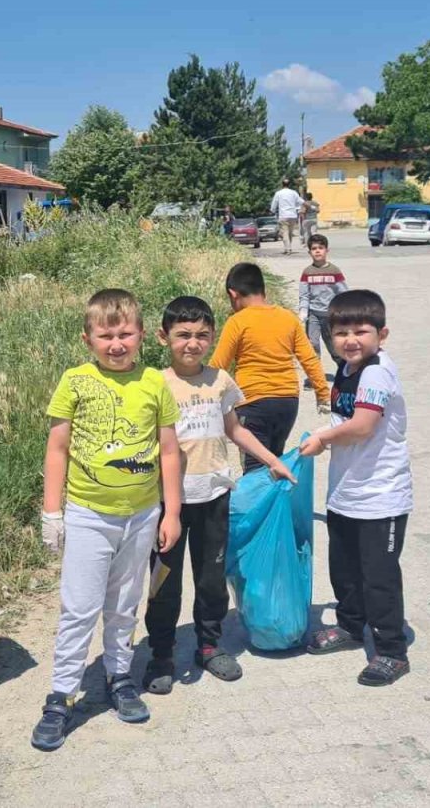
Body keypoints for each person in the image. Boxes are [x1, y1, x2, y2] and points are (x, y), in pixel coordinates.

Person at [31, 289, 182, 751]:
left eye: (126, 334)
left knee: (124, 603)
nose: (117, 344)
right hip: (87, 514)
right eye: (106, 335)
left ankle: (119, 677)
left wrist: (170, 510)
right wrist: (52, 511)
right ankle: (61, 695)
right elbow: (57, 449)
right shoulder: (74, 381)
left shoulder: (155, 382)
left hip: (140, 515)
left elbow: (170, 452)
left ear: (142, 335)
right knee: (79, 607)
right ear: (88, 338)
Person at [143, 296, 297, 694]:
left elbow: (236, 430)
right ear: (164, 337)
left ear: (212, 338)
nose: (192, 343)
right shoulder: (154, 384)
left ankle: (209, 645)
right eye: (182, 335)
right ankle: (161, 653)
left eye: (201, 336)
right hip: (167, 505)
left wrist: (271, 460)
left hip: (214, 497)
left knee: (211, 579)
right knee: (164, 582)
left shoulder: (221, 381)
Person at [299, 290, 414, 687]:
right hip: (346, 492)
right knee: (345, 569)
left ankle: (391, 650)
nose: (350, 339)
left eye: (360, 331)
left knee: (378, 575)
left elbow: (363, 425)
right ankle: (350, 627)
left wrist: (323, 439)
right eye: (341, 331)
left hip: (381, 496)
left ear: (382, 334)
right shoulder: (347, 369)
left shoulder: (378, 371)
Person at [209, 262, 330, 472]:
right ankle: (275, 504)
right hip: (287, 404)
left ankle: (262, 506)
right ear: (263, 289)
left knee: (255, 470)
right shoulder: (288, 318)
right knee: (275, 462)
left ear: (233, 294)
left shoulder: (237, 322)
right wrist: (322, 393)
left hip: (254, 404)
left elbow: (218, 366)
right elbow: (309, 359)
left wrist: (201, 396)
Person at [298, 233, 349, 389]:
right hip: (313, 315)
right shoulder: (307, 272)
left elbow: (343, 292)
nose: (317, 251)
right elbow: (304, 294)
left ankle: (345, 374)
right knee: (312, 346)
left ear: (327, 250)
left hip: (330, 316)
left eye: (321, 248)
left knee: (334, 347)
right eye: (314, 249)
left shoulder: (334, 271)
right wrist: (303, 311)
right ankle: (315, 378)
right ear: (309, 252)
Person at [270, 178, 304, 255]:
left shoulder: (278, 193)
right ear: (289, 185)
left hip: (283, 216)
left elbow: (274, 203)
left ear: (282, 184)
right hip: (293, 216)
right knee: (290, 233)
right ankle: (289, 247)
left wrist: (272, 210)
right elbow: (300, 201)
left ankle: (288, 249)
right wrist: (300, 208)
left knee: (284, 233)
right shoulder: (294, 193)